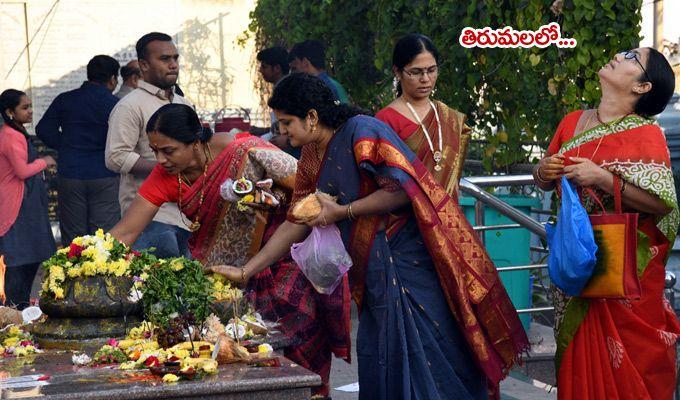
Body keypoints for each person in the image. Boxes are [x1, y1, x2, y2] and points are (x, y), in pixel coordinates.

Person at [208, 73, 528, 399]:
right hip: (372, 269)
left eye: (287, 122)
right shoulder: (310, 156)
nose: (283, 131)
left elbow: (403, 191)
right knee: (381, 356)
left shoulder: (362, 131)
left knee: (427, 355)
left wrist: (343, 212)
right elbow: (296, 220)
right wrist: (247, 271)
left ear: (313, 117)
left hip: (406, 261)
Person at [109, 103, 341, 398]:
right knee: (246, 354)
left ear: (195, 142)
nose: (160, 159)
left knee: (302, 347)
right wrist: (83, 257)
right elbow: (126, 231)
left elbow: (313, 190)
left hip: (285, 261)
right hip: (229, 277)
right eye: (155, 151)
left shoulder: (244, 150)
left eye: (168, 150)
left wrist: (268, 199)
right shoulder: (167, 174)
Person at [534, 48, 680, 400]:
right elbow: (542, 177)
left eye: (631, 57)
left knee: (630, 368)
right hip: (575, 264)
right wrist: (543, 170)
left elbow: (663, 205)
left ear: (642, 86)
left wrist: (603, 178)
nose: (618, 55)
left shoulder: (648, 135)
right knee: (580, 365)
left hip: (623, 274)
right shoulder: (572, 122)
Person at [105, 32, 191, 258]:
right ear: (143, 65)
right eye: (164, 59)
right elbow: (115, 157)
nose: (173, 65)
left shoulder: (183, 103)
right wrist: (164, 170)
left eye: (175, 58)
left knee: (190, 289)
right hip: (150, 217)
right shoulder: (130, 106)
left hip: (187, 214)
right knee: (158, 289)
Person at [36, 55, 121, 246]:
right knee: (104, 236)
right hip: (104, 174)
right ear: (113, 78)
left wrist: (66, 146)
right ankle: (102, 276)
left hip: (70, 174)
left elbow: (43, 129)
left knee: (74, 237)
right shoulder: (115, 104)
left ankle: (74, 275)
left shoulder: (65, 99)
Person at [376, 33, 471, 195]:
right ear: (398, 72)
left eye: (431, 70)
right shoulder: (386, 120)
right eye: (416, 72)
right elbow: (386, 183)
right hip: (407, 216)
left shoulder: (449, 118)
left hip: (448, 216)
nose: (426, 78)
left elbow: (452, 180)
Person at [0, 89, 57, 309]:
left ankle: (21, 307)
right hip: (17, 205)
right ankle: (15, 309)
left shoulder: (16, 132)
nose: (30, 111)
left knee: (32, 256)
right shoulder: (10, 136)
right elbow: (22, 171)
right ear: (9, 112)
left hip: (28, 203)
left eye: (30, 106)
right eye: (25, 107)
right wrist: (46, 161)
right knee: (19, 259)